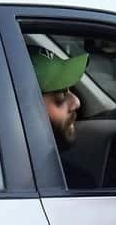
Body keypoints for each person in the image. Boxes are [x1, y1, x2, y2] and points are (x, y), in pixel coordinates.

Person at [27, 45, 94, 188]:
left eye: (69, 89)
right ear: (26, 109)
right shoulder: (74, 185)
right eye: (61, 94)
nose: (76, 102)